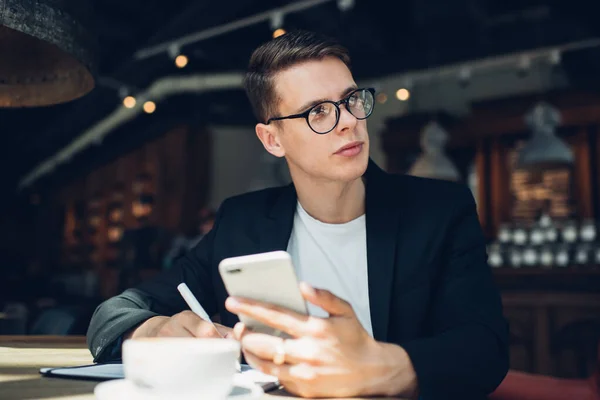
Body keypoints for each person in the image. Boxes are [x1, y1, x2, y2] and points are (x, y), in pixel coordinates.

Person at [87, 30, 509, 399]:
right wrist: (150, 330)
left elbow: (485, 349)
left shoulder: (438, 211)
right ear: (272, 140)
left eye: (350, 100)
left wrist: (379, 366)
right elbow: (115, 312)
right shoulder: (242, 222)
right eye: (317, 111)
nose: (347, 122)